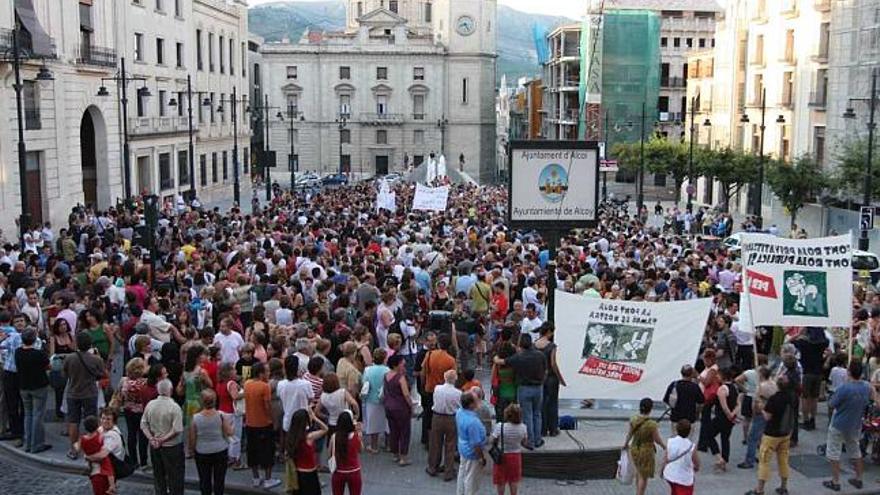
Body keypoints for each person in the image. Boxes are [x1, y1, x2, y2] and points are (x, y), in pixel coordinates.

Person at [823, 360, 875, 492]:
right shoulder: (866, 387)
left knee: (834, 452)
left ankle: (835, 481)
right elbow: (874, 399)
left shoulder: (844, 388)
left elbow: (831, 404)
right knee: (855, 451)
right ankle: (859, 478)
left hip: (839, 423)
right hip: (855, 423)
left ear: (849, 371)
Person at [493, 334, 546, 449]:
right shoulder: (540, 355)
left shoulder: (519, 357)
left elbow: (502, 362)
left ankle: (530, 441)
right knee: (537, 414)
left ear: (520, 344)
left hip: (524, 388)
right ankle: (538, 440)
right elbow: (545, 371)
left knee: (527, 415)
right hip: (538, 388)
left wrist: (495, 358)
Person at [745, 376, 795, 495]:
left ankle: (760, 489)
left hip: (771, 434)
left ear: (778, 385)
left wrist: (762, 408)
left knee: (764, 461)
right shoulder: (792, 397)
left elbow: (767, 417)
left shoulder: (774, 399)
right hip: (785, 432)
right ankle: (783, 487)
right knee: (783, 460)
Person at [64, 332, 106, 460]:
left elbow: (65, 374)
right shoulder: (96, 359)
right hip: (90, 393)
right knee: (92, 420)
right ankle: (93, 447)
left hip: (73, 392)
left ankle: (73, 449)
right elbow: (101, 374)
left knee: (73, 421)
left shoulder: (69, 358)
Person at [141, 379, 185, 495]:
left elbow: (143, 424)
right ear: (170, 390)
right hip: (172, 446)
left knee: (158, 475)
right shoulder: (174, 407)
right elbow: (177, 429)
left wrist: (151, 438)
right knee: (175, 476)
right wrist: (163, 439)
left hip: (155, 446)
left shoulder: (150, 404)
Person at [243, 361, 281, 489]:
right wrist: (273, 420)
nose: (268, 373)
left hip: (250, 422)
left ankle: (255, 478)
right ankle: (268, 478)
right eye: (266, 371)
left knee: (252, 450)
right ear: (260, 373)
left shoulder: (247, 385)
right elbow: (267, 406)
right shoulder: (265, 387)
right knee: (267, 451)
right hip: (264, 423)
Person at [189, 389, 234, 495]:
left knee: (204, 480)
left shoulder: (195, 418)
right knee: (219, 481)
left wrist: (192, 450)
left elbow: (192, 437)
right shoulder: (220, 416)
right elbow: (229, 432)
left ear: (201, 401)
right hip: (220, 450)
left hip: (202, 451)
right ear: (214, 401)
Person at [15, 328, 50, 453]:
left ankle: (28, 442)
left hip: (24, 386)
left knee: (28, 415)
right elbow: (47, 365)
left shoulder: (18, 352)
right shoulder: (38, 354)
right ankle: (37, 444)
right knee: (38, 415)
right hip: (39, 386)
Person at [623, 398, 666, 495]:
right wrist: (664, 446)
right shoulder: (652, 424)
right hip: (646, 450)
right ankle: (640, 493)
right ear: (650, 409)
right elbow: (657, 439)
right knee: (644, 476)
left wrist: (625, 444)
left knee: (638, 471)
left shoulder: (633, 419)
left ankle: (637, 491)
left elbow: (629, 434)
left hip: (634, 448)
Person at [738, 365, 777, 470]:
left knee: (752, 437)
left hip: (761, 413)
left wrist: (755, 412)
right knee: (762, 437)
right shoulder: (774, 384)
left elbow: (756, 402)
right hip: (771, 413)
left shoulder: (761, 387)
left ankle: (749, 461)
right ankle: (762, 457)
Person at [427, 369, 461, 481]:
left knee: (435, 443)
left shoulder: (437, 388)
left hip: (437, 416)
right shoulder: (458, 393)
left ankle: (433, 467)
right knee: (450, 445)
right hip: (451, 418)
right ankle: (448, 471)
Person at [82, 409, 126, 495]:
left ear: (114, 421)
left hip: (103, 473)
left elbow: (102, 454)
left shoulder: (112, 436)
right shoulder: (101, 429)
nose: (105, 421)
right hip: (100, 469)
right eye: (103, 418)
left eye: (108, 419)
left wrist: (87, 457)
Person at [285, 408, 328, 495]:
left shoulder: (291, 438)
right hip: (310, 473)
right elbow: (325, 429)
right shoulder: (309, 437)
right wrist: (315, 418)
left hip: (298, 473)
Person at [793, 327, 828, 431]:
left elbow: (789, 341)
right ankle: (813, 419)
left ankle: (806, 420)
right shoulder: (823, 343)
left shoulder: (803, 342)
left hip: (807, 372)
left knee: (805, 397)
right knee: (814, 398)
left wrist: (799, 333)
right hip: (818, 372)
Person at [534, 323, 566, 437]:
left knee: (540, 403)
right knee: (552, 403)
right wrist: (560, 378)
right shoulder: (551, 346)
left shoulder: (534, 345)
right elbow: (553, 363)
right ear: (549, 332)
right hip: (551, 378)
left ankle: (542, 428)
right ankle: (553, 429)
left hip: (538, 377)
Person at [490, 403, 528, 495]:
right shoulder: (523, 427)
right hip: (515, 456)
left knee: (501, 480)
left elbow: (491, 440)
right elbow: (524, 443)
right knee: (514, 480)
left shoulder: (500, 426)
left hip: (502, 456)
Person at [707, 367, 739, 472]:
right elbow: (738, 404)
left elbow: (724, 406)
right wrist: (733, 415)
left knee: (709, 435)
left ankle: (719, 458)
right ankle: (724, 461)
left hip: (721, 417)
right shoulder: (734, 387)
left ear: (723, 377)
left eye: (719, 375)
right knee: (725, 438)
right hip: (729, 419)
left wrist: (729, 415)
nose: (717, 377)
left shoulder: (722, 389)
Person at [119, 357, 149, 469]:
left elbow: (120, 395)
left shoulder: (124, 381)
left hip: (128, 410)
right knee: (143, 436)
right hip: (142, 411)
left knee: (131, 434)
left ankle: (133, 460)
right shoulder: (145, 383)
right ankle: (143, 461)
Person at [456, 392, 488, 495]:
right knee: (471, 479)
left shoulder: (459, 412)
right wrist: (481, 458)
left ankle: (460, 492)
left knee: (462, 473)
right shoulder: (473, 422)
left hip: (462, 448)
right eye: (476, 400)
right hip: (472, 453)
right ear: (471, 405)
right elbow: (476, 444)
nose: (479, 401)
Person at [383, 354, 413, 466]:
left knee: (393, 431)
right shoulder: (400, 378)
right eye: (402, 364)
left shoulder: (386, 375)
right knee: (404, 432)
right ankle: (403, 457)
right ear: (397, 365)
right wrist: (411, 405)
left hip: (389, 406)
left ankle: (395, 454)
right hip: (401, 408)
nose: (404, 365)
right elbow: (406, 394)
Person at [77, 414, 116, 495]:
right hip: (103, 463)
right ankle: (112, 486)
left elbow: (78, 448)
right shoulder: (99, 436)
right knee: (110, 473)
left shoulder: (83, 439)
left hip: (93, 468)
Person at [361, 348, 389, 453]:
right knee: (387, 422)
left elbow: (364, 382)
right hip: (385, 399)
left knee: (373, 423)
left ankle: (374, 446)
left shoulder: (368, 370)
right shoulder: (387, 370)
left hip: (371, 399)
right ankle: (388, 445)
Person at [662, 365, 703, 436]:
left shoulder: (674, 385)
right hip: (690, 419)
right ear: (691, 374)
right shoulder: (695, 387)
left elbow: (666, 399)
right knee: (688, 442)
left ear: (681, 373)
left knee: (675, 439)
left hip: (676, 418)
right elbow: (701, 401)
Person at [329, 410, 363, 495]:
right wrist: (359, 434)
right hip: (354, 471)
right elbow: (361, 450)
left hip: (339, 471)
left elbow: (330, 453)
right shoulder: (355, 436)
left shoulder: (334, 437)